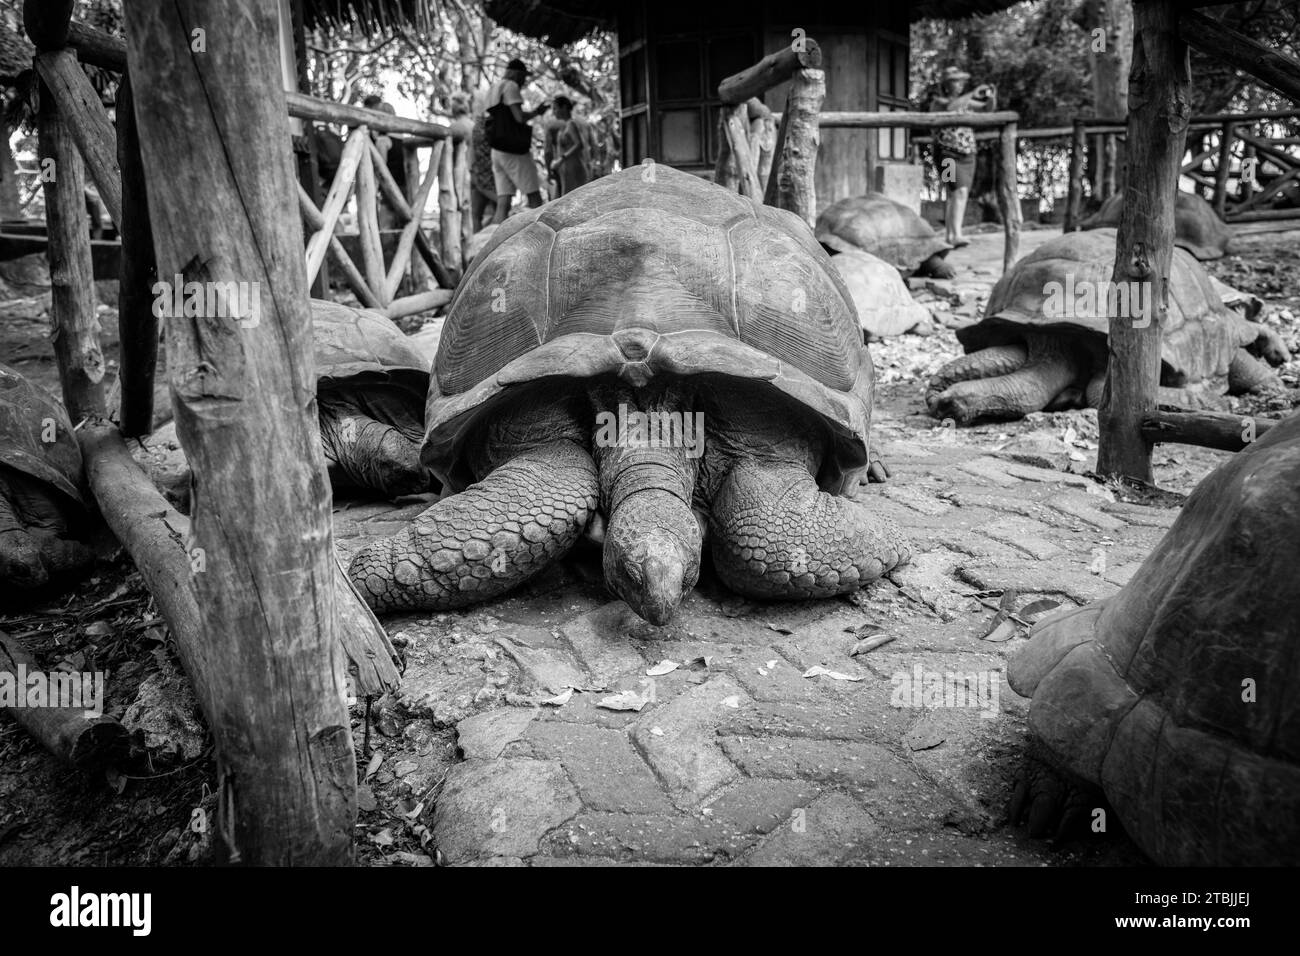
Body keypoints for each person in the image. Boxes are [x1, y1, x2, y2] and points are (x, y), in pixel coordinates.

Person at [931, 67, 996, 248]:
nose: (959, 85)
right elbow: (952, 107)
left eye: (961, 81)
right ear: (946, 84)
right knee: (956, 191)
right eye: (955, 81)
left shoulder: (966, 102)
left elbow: (986, 109)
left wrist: (991, 97)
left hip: (967, 155)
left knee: (959, 193)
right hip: (947, 153)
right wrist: (973, 93)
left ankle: (951, 234)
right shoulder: (939, 101)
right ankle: (955, 234)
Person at [485, 58, 549, 222]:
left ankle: (493, 241)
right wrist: (537, 112)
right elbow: (519, 118)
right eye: (523, 76)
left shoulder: (494, 87)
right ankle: (540, 239)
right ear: (516, 74)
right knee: (535, 198)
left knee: (503, 203)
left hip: (496, 150)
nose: (524, 80)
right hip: (513, 150)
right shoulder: (511, 86)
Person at [548, 96, 593, 197]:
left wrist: (561, 159)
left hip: (574, 167)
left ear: (564, 108)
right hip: (568, 169)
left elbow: (579, 144)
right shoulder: (565, 125)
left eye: (555, 108)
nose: (553, 112)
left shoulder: (571, 124)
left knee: (575, 198)